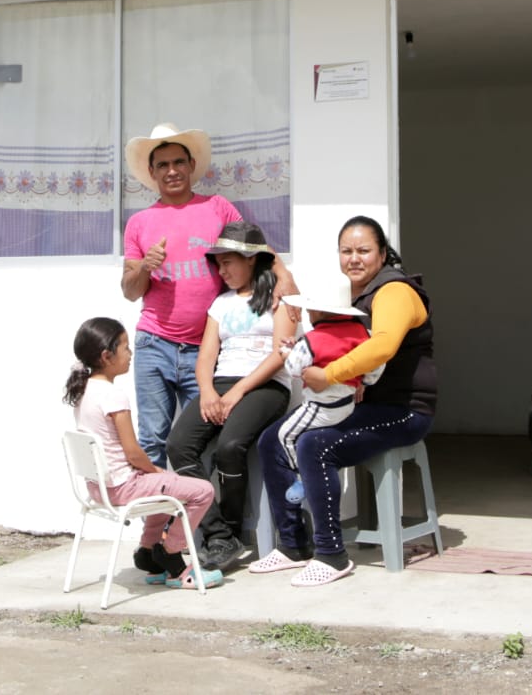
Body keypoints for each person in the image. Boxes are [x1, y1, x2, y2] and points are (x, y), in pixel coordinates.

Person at [252, 215, 436, 587]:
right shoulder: (347, 296)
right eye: (346, 251)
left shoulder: (395, 291)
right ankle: (292, 544)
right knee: (272, 440)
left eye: (364, 250)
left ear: (382, 254)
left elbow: (382, 346)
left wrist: (330, 375)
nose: (354, 258)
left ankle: (331, 554)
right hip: (362, 407)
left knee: (315, 444)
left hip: (403, 411)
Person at [120, 122, 296, 466]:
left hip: (203, 349)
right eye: (163, 165)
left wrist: (284, 274)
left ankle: (195, 519)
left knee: (201, 440)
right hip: (154, 343)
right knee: (153, 437)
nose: (172, 171)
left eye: (178, 162)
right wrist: (143, 267)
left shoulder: (217, 207)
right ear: (152, 173)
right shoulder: (139, 223)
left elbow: (253, 246)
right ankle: (157, 518)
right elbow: (129, 291)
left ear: (191, 166)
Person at [163, 222, 296, 571]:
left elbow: (281, 354)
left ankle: (233, 530)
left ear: (251, 260)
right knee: (179, 445)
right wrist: (207, 392)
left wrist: (238, 391)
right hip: (220, 383)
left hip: (266, 387)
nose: (221, 270)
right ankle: (220, 535)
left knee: (229, 447)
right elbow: (206, 356)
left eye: (229, 261)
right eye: (217, 263)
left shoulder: (278, 298)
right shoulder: (220, 304)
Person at [63, 317, 223, 590]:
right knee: (203, 491)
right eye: (125, 347)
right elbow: (133, 453)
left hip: (99, 489)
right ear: (106, 356)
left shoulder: (83, 390)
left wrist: (153, 475)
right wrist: (155, 470)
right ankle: (172, 556)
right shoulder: (113, 396)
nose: (130, 353)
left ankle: (149, 554)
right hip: (124, 487)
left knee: (164, 491)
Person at [273, 291, 384, 506]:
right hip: (348, 404)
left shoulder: (312, 339)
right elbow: (378, 362)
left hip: (321, 406)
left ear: (318, 311)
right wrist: (365, 382)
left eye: (308, 309)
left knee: (285, 435)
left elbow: (295, 369)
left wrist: (287, 353)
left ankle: (303, 479)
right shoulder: (362, 332)